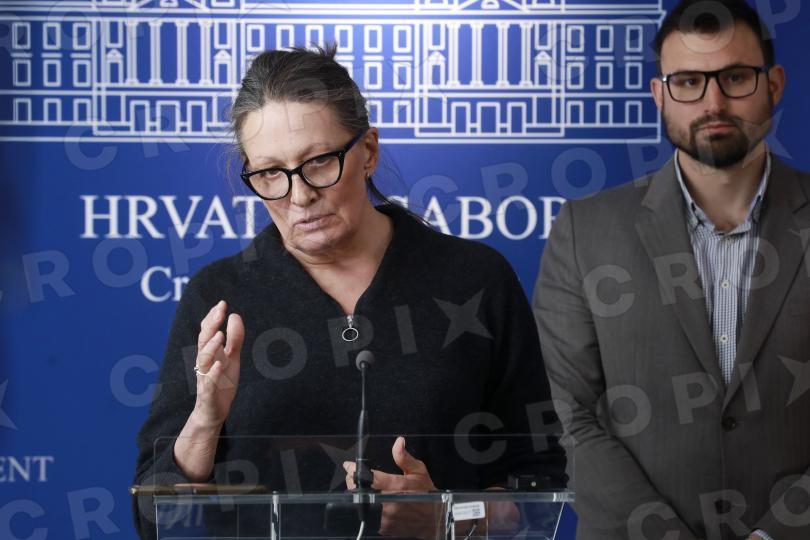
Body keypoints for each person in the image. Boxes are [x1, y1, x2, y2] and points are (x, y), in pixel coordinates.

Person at [133, 45, 565, 539]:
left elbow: (539, 487)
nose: (299, 196)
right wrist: (205, 421)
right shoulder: (218, 296)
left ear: (369, 152)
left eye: (319, 162)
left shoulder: (477, 279)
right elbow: (151, 512)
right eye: (270, 173)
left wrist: (445, 517)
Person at [533, 1, 810, 538]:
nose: (714, 102)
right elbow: (565, 413)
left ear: (774, 84)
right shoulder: (584, 232)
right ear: (660, 95)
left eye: (735, 77)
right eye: (688, 82)